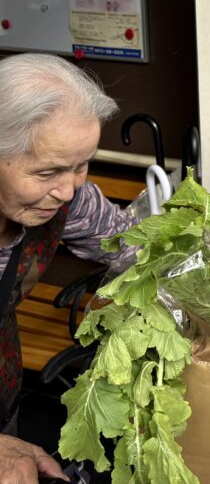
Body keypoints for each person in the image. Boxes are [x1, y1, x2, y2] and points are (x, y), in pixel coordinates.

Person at [0, 54, 141, 483]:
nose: (66, 189)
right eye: (47, 172)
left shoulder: (70, 199)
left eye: (81, 165)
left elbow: (131, 243)